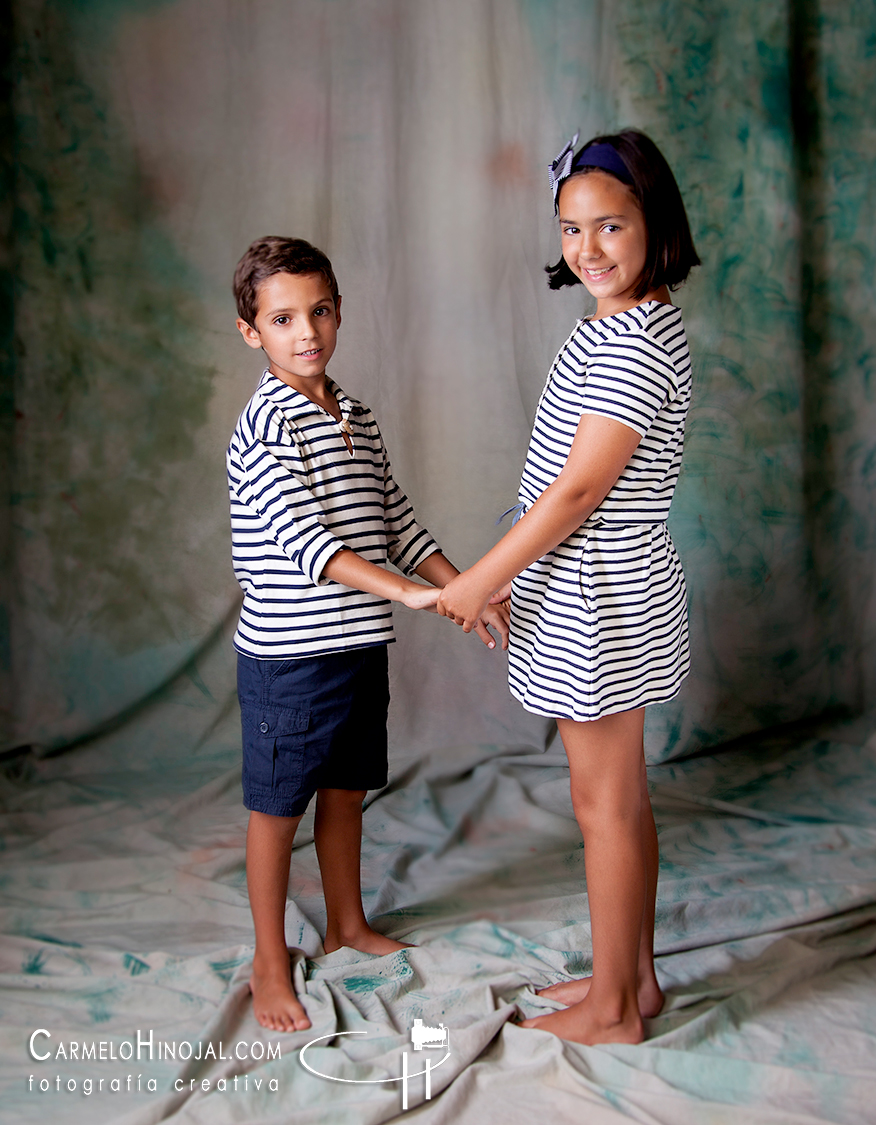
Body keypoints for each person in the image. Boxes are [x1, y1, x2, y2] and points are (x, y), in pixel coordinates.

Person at [436, 132, 699, 1045]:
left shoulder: (635, 342)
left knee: (604, 806)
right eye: (571, 228)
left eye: (611, 226)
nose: (587, 248)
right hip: (592, 583)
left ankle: (616, 1009)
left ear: (654, 225)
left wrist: (482, 577)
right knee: (621, 797)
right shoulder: (629, 322)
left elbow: (581, 489)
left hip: (599, 593)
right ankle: (637, 976)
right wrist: (510, 563)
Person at [228, 236, 509, 1032]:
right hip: (289, 658)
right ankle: (269, 958)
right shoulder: (265, 429)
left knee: (346, 790)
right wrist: (411, 597)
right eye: (282, 318)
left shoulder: (355, 414)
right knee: (277, 806)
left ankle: (347, 924)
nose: (306, 330)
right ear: (253, 331)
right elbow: (312, 547)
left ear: (340, 311)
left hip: (357, 648)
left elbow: (397, 521)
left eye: (318, 310)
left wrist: (464, 584)